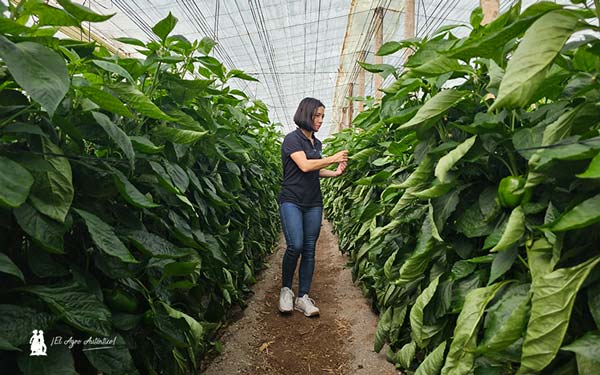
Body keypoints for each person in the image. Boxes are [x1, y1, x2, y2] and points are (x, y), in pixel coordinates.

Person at [277, 97, 348, 317]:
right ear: (305, 114)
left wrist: (334, 172)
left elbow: (315, 171)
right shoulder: (292, 140)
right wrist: (332, 158)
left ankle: (303, 297)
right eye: (317, 115)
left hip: (313, 202)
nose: (320, 120)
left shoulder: (316, 144)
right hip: (291, 200)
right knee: (295, 245)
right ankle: (286, 290)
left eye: (322, 116)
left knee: (309, 249)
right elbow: (305, 165)